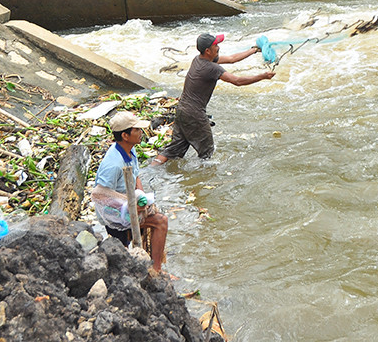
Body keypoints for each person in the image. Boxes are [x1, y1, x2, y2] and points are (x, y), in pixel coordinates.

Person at [151, 33, 275, 164]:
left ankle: (152, 169)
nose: (218, 47)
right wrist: (262, 76)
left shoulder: (198, 59)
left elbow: (232, 58)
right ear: (208, 51)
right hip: (195, 115)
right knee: (207, 155)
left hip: (182, 111)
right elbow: (237, 81)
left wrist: (254, 49)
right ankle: (203, 181)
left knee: (172, 150)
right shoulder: (211, 68)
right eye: (216, 45)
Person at [91, 112, 169, 274]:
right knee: (161, 222)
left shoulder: (129, 150)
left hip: (128, 205)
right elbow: (99, 194)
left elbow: (135, 175)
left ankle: (151, 264)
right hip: (115, 212)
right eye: (137, 130)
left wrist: (141, 196)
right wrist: (130, 202)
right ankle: (157, 270)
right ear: (125, 135)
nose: (141, 133)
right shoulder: (113, 163)